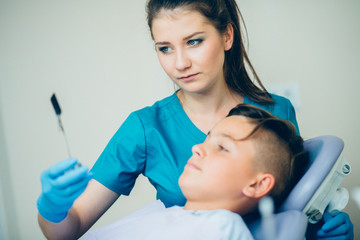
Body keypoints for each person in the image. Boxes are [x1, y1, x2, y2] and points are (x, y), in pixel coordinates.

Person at [37, 0, 353, 239]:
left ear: (227, 36)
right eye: (164, 48)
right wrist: (54, 207)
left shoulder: (276, 112)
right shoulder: (145, 128)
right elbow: (68, 229)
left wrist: (321, 228)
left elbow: (287, 208)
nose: (180, 63)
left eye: (194, 41)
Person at [80, 104, 308, 240]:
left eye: (222, 147)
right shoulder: (168, 216)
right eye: (207, 139)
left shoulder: (221, 228)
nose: (197, 148)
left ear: (257, 185)